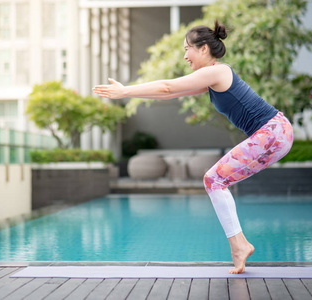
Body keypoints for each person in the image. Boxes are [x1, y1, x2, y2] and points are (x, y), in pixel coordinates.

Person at [93, 20, 294, 274]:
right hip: (276, 134)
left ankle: (239, 246)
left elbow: (168, 86)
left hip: (273, 131)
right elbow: (168, 93)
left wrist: (125, 91)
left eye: (187, 48)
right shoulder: (211, 78)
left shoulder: (218, 72)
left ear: (203, 49)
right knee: (216, 181)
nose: (185, 55)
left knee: (214, 180)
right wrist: (128, 94)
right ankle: (239, 245)